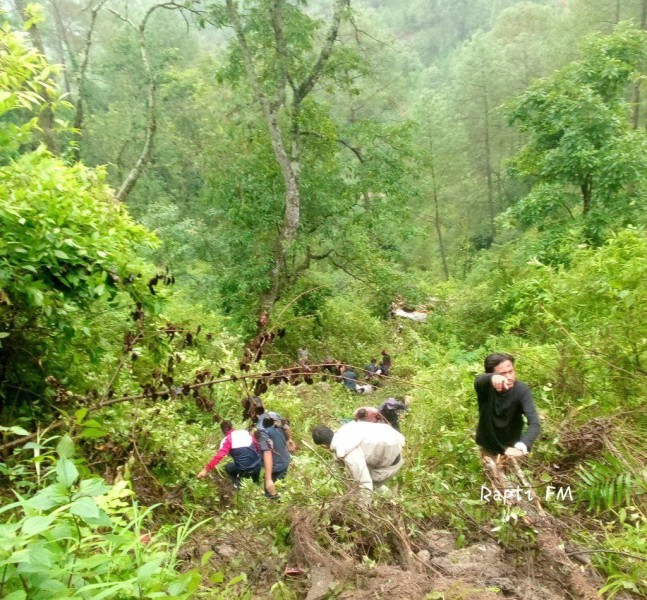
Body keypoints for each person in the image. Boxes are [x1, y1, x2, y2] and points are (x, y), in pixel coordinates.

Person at [474, 352, 541, 458]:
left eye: (511, 371)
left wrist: (522, 447)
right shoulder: (485, 387)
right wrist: (492, 378)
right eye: (502, 374)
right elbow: (478, 381)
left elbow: (534, 423)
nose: (509, 377)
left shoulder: (521, 390)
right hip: (488, 447)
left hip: (512, 449)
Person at [312, 421, 405, 492]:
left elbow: (365, 483)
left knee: (369, 485)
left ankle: (390, 498)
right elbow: (338, 457)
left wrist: (363, 511)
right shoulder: (344, 431)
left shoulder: (350, 454)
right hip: (392, 442)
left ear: (323, 446)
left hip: (390, 464)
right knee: (354, 475)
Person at [242, 396, 294, 499]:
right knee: (281, 485)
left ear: (251, 412)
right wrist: (289, 440)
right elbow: (285, 428)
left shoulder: (260, 429)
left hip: (276, 465)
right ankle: (283, 497)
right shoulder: (273, 415)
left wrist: (268, 478)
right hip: (285, 458)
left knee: (272, 494)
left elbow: (267, 452)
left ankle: (280, 503)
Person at [197, 420, 262, 488]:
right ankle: (257, 487)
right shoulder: (245, 432)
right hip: (258, 465)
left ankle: (238, 487)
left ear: (223, 432)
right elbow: (256, 445)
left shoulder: (227, 440)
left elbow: (219, 456)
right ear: (232, 427)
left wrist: (206, 469)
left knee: (228, 468)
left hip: (245, 469)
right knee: (255, 483)